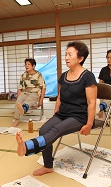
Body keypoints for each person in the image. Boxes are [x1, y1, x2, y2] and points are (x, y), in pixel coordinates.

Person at [16, 41, 97, 176]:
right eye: (66, 54)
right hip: (63, 114)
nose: (66, 57)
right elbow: (60, 97)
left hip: (79, 116)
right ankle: (48, 166)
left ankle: (27, 147)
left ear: (80, 58)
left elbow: (92, 102)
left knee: (56, 130)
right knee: (44, 129)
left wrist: (89, 124)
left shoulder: (88, 77)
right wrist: (55, 114)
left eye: (70, 55)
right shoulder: (64, 76)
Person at [12, 58, 46, 127]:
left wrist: (41, 100)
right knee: (19, 101)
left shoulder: (39, 75)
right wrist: (18, 100)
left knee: (29, 100)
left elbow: (43, 88)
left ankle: (23, 109)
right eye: (26, 64)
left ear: (33, 66)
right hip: (25, 92)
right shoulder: (23, 75)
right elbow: (20, 88)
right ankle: (16, 119)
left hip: (35, 92)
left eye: (28, 64)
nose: (26, 66)